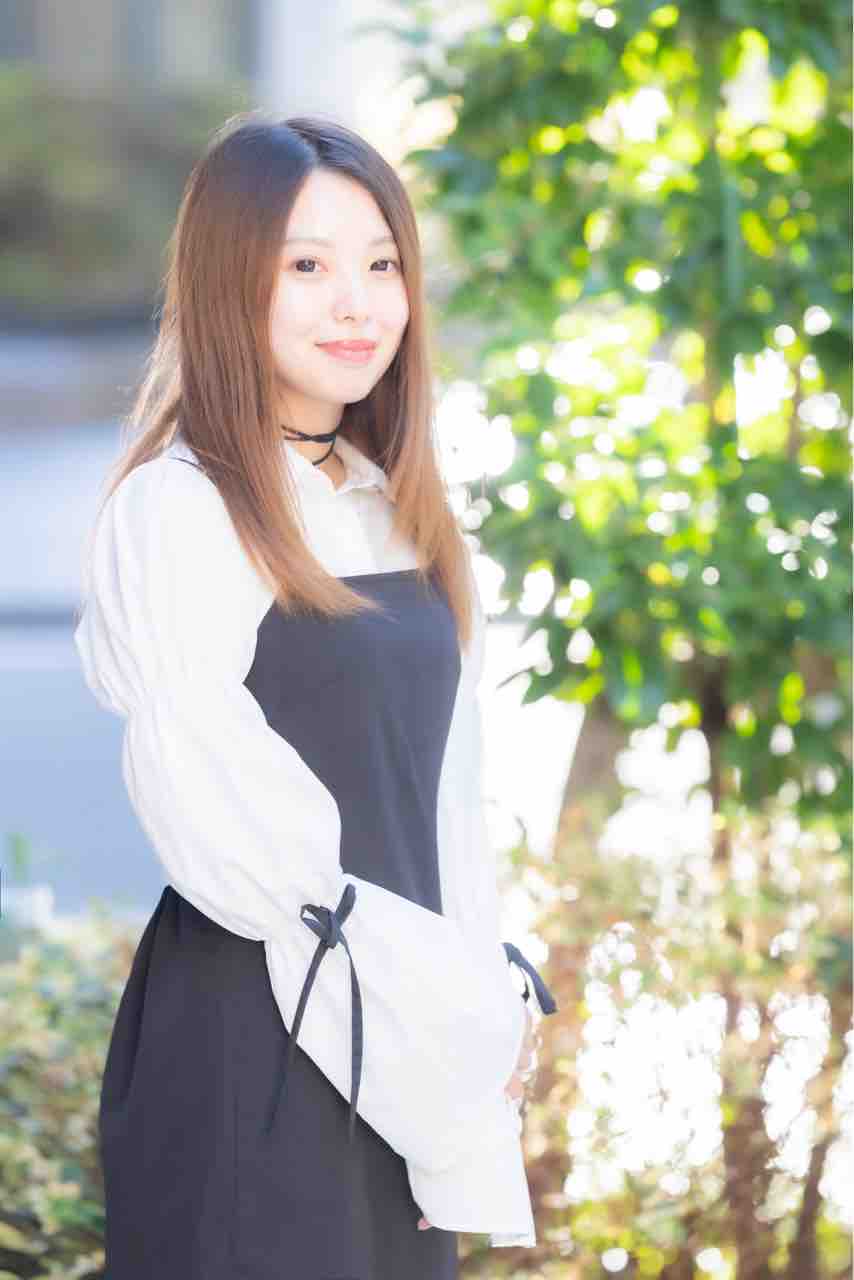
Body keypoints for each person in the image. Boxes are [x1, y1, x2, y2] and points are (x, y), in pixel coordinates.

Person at [73, 111, 557, 1280]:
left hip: (402, 1036)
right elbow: (239, 840)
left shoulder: (394, 501)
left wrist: (485, 997)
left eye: (381, 264)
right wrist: (448, 1022)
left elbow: (442, 799)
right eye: (307, 265)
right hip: (264, 1040)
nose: (357, 304)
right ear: (228, 279)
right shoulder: (179, 508)